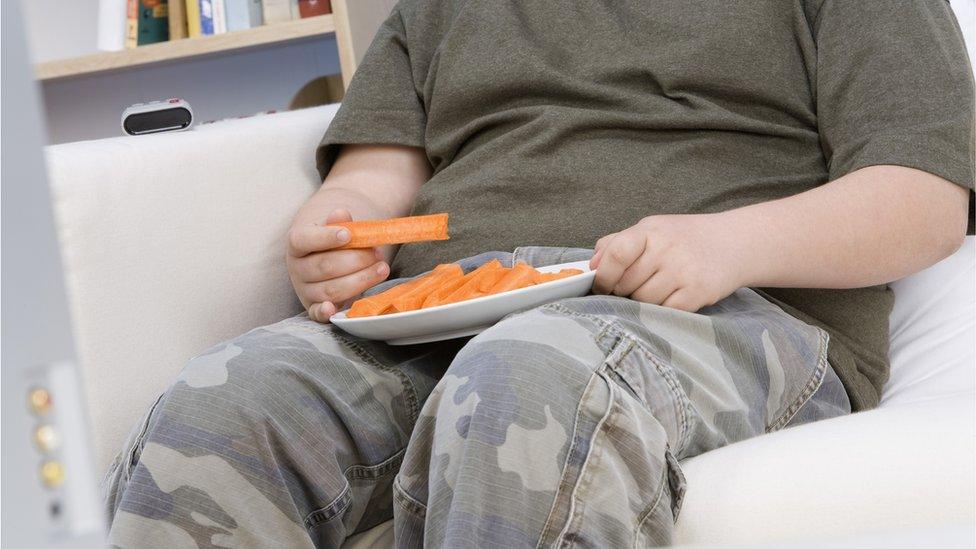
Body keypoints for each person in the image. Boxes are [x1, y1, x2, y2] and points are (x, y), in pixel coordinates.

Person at [102, 1, 974, 547]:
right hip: (434, 311)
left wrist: (728, 244)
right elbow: (377, 170)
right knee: (225, 400)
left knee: (527, 380)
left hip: (724, 311)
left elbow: (926, 196)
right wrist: (337, 224)